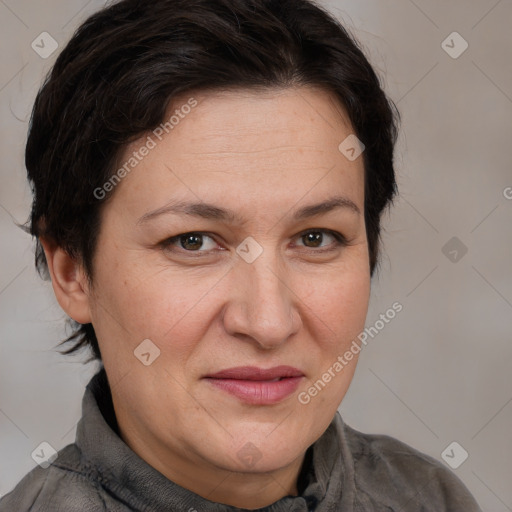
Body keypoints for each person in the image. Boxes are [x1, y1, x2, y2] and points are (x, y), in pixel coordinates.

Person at [0, 0, 482, 510]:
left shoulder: (435, 498)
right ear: (72, 270)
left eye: (316, 238)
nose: (268, 322)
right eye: (193, 241)